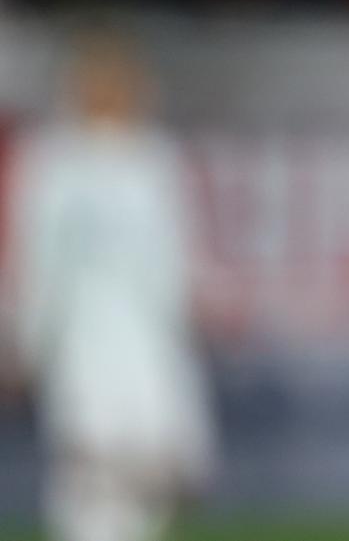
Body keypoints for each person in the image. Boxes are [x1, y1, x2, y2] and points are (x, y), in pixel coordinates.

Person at [6, 32, 215, 541]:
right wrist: (28, 339)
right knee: (89, 471)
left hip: (147, 342)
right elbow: (37, 260)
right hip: (84, 341)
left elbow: (176, 255)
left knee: (155, 472)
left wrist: (189, 307)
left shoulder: (151, 159)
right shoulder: (54, 162)